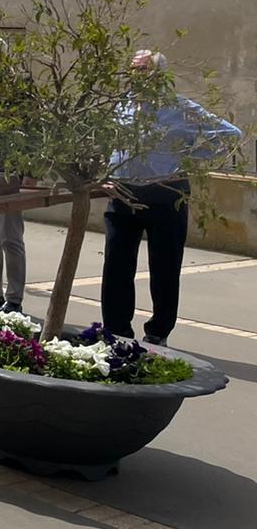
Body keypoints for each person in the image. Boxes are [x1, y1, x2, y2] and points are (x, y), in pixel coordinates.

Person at [101, 49, 243, 345]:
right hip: (123, 193)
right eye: (133, 70)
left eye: (142, 70)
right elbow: (105, 140)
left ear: (159, 75)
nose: (135, 76)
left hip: (166, 194)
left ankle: (158, 331)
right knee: (116, 266)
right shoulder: (121, 105)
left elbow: (229, 134)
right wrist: (105, 173)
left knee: (164, 267)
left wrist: (188, 160)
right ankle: (117, 331)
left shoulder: (180, 108)